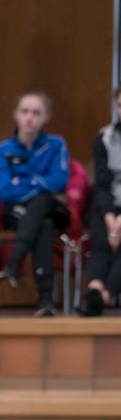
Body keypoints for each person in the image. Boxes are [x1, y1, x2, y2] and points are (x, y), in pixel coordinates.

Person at [0, 91, 70, 317]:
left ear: (46, 117)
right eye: (25, 111)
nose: (29, 118)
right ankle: (46, 299)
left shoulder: (56, 144)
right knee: (41, 222)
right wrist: (40, 182)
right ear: (16, 115)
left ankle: (15, 260)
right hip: (17, 213)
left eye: (36, 112)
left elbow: (59, 181)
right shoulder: (0, 151)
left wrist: (23, 182)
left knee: (43, 202)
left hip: (55, 211)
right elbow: (5, 192)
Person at [85, 86, 121, 315]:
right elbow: (102, 181)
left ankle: (106, 294)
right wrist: (110, 220)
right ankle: (95, 289)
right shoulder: (104, 137)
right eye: (120, 105)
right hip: (109, 203)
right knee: (100, 241)